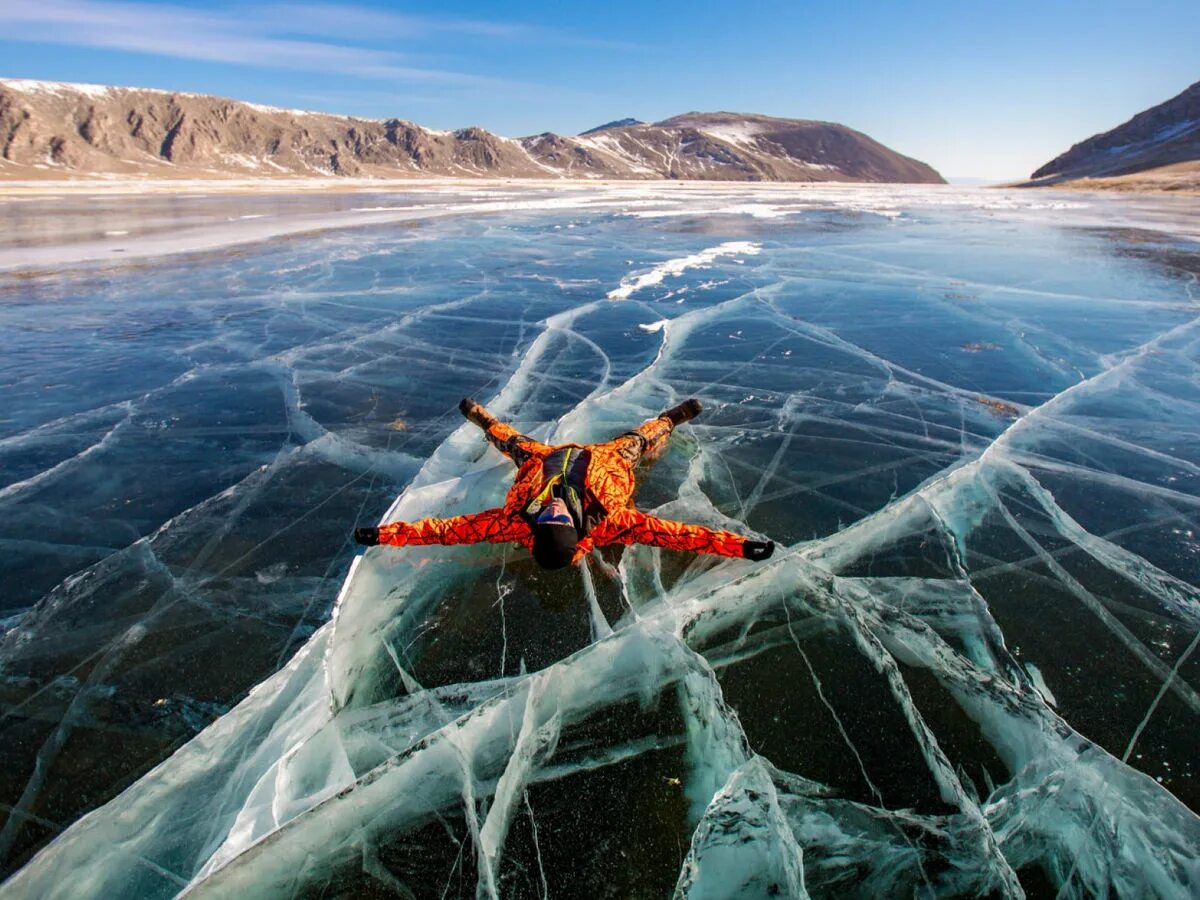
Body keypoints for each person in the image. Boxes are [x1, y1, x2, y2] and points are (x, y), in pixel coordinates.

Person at [354, 398, 775, 570]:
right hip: (607, 461)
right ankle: (670, 419)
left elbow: (445, 531)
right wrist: (739, 547)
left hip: (542, 461)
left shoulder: (515, 521)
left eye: (547, 519)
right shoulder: (615, 521)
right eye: (560, 519)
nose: (552, 509)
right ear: (575, 529)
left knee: (508, 439)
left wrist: (383, 534)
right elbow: (682, 536)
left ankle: (482, 420)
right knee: (643, 439)